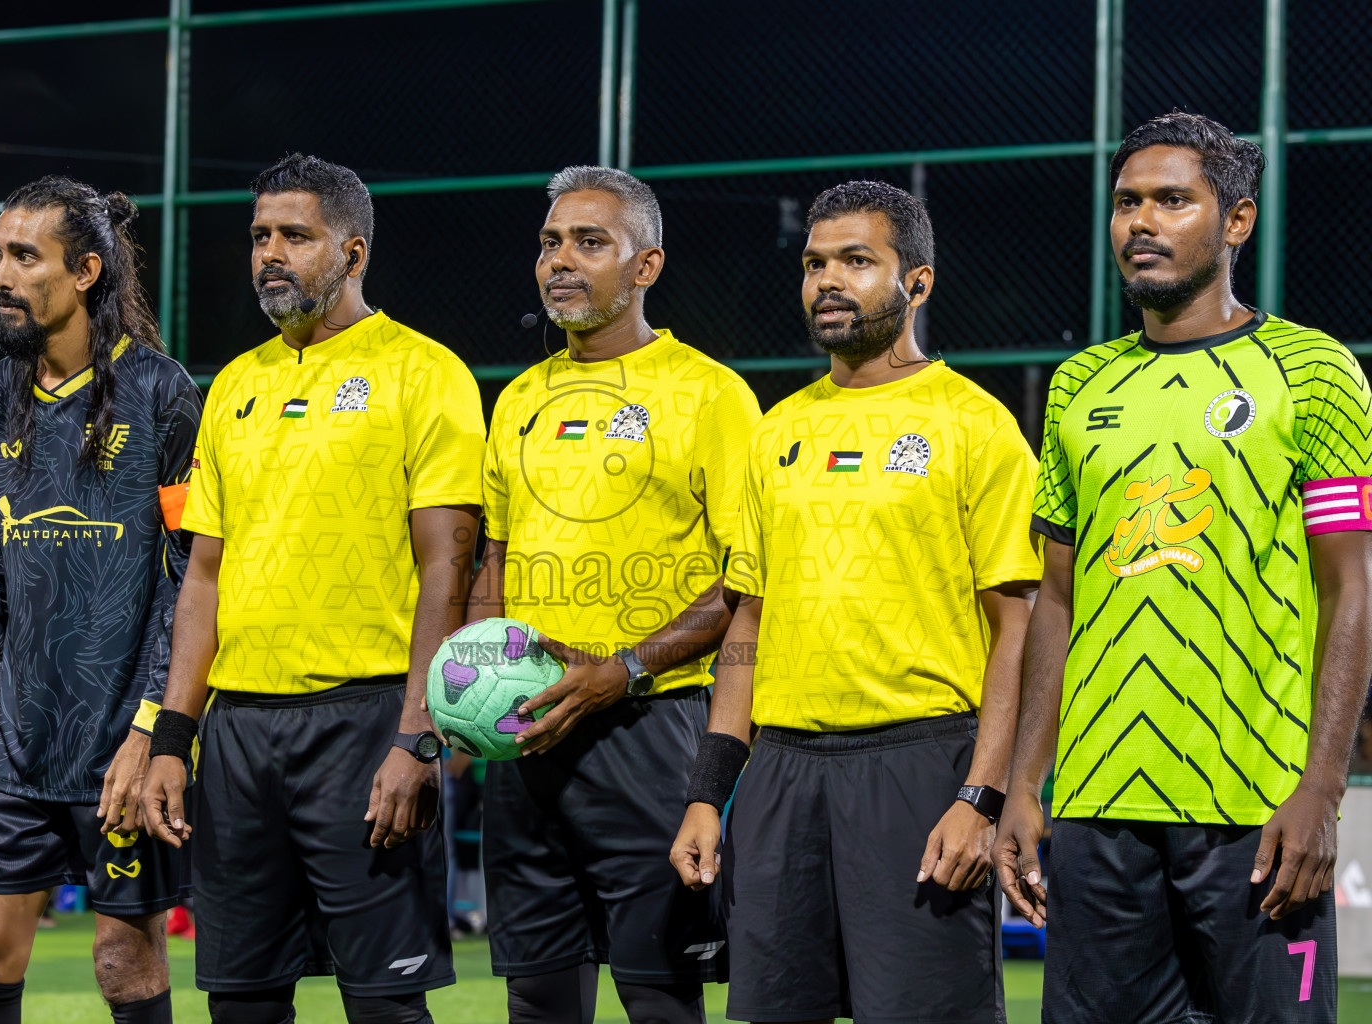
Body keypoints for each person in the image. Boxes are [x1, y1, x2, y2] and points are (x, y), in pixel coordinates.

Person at [993, 111, 1372, 1023]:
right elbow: (1055, 600)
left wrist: (1322, 789)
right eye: (1127, 202)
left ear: (1235, 221)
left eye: (1172, 200)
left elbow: (1350, 588)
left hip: (1255, 803)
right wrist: (1023, 784)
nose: (1141, 222)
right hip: (1095, 806)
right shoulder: (1081, 385)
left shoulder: (1312, 371)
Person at [669, 180, 1041, 1023]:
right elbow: (747, 625)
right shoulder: (777, 431)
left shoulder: (973, 425)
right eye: (814, 263)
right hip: (781, 777)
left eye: (856, 261)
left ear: (918, 282)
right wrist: (707, 791)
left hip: (921, 767)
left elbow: (1014, 629)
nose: (827, 280)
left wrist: (981, 797)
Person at [140, 153, 484, 1024]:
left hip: (366, 722)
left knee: (384, 1003)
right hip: (242, 733)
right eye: (260, 235)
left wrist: (420, 736)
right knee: (241, 1004)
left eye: (297, 235)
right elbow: (203, 578)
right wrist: (174, 739)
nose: (271, 253)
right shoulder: (234, 388)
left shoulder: (423, 370)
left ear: (353, 251)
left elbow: (448, 568)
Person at [466, 165, 760, 1024]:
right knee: (539, 998)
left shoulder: (712, 395)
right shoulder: (519, 397)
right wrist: (474, 679)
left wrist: (623, 669)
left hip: (652, 727)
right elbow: (496, 557)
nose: (561, 260)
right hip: (526, 733)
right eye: (551, 242)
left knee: (659, 999)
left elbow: (743, 582)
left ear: (646, 266)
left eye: (591, 242)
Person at [0, 176, 203, 1024]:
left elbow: (193, 577)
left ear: (86, 270)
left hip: (121, 742)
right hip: (21, 740)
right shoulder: (2, 392)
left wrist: (155, 730)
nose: (1, 276)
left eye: (24, 256)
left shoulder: (163, 393)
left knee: (125, 958)